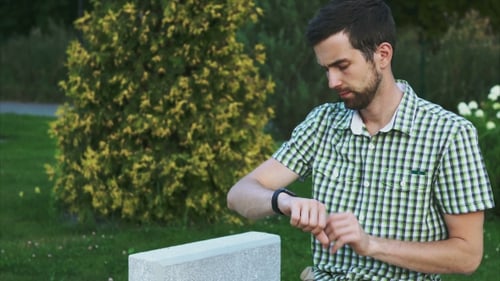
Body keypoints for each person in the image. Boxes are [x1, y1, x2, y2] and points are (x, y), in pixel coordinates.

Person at [227, 0, 495, 280]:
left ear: (383, 55)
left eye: (342, 66)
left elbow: (467, 255)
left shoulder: (448, 134)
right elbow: (239, 194)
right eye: (326, 69)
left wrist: (372, 245)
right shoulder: (322, 123)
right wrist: (285, 201)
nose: (332, 82)